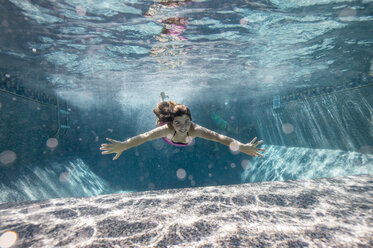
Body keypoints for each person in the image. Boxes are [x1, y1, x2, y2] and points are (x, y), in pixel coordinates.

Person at [100, 96, 265, 160]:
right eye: (177, 123)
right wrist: (124, 145)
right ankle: (163, 100)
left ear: (191, 121)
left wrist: (242, 147)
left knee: (172, 111)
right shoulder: (166, 129)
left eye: (186, 122)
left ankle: (167, 100)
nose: (183, 127)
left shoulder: (194, 129)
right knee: (159, 118)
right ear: (172, 123)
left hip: (179, 138)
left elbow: (220, 138)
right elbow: (144, 137)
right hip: (167, 133)